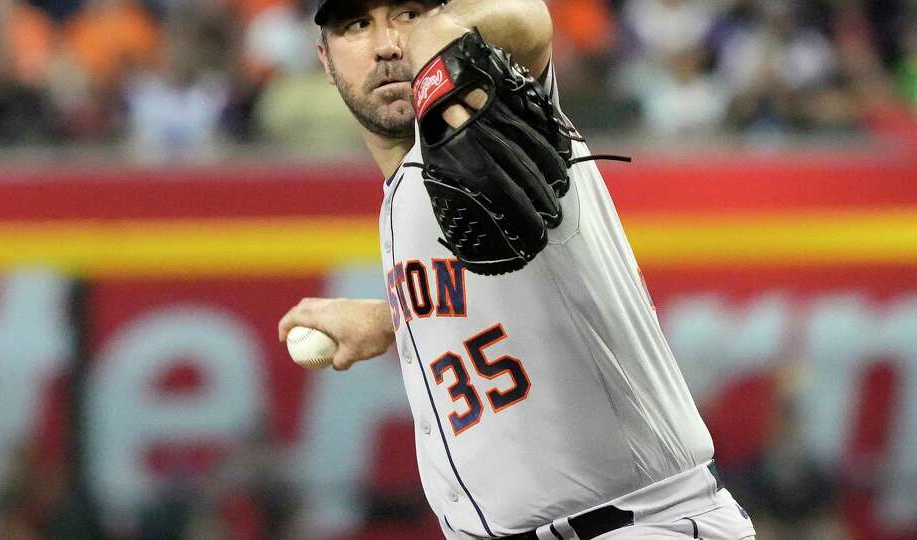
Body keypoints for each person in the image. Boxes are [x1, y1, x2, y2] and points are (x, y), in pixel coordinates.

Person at [278, 1, 758, 538]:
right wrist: (393, 318)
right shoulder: (399, 198)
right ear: (324, 58)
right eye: (357, 25)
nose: (388, 44)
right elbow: (504, 292)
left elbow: (527, 19)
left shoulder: (499, 113)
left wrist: (443, 32)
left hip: (639, 524)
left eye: (407, 13)